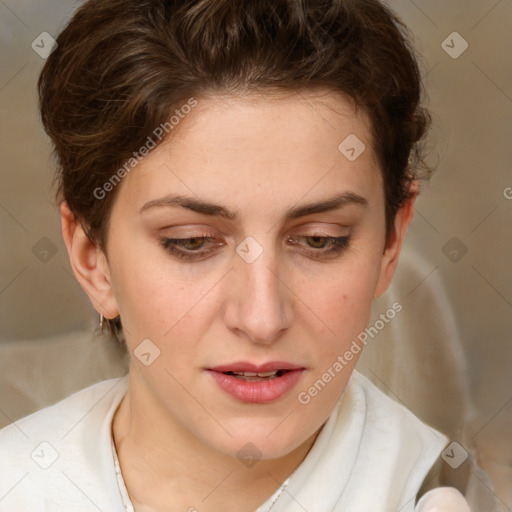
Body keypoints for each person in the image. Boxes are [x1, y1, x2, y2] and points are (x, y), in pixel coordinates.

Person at [0, 0, 473, 510]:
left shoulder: (436, 491)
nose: (262, 318)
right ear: (92, 256)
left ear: (390, 241)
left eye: (320, 239)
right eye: (191, 242)